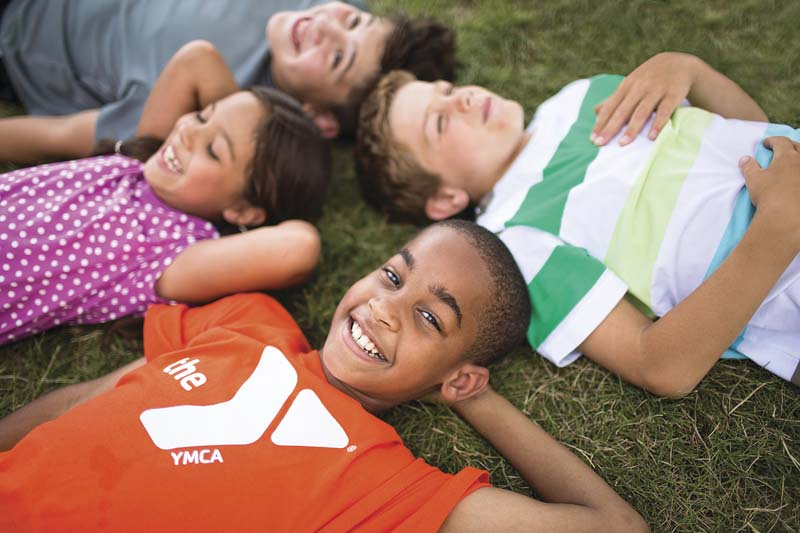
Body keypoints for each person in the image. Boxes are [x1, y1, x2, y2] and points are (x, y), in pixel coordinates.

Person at [0, 220, 647, 532]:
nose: (386, 306)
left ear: (457, 374)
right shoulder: (248, 319)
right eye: (393, 275)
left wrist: (469, 395)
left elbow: (614, 525)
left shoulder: (385, 486)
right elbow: (89, 398)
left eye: (428, 316)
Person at [354, 52, 800, 394]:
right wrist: (777, 227)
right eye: (441, 121)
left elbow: (753, 133)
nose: (463, 97)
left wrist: (688, 69)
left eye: (447, 90)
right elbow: (658, 365)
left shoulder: (582, 95)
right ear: (445, 198)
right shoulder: (516, 244)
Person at [0, 41, 331, 344]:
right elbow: (198, 59)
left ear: (244, 211)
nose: (188, 130)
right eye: (202, 115)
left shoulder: (173, 257)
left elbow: (298, 247)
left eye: (213, 150)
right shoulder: (141, 160)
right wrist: (248, 122)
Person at [0, 0, 456, 163]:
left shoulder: (207, 108)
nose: (328, 26)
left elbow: (55, 137)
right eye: (354, 19)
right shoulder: (315, 11)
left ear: (318, 117)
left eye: (338, 57)